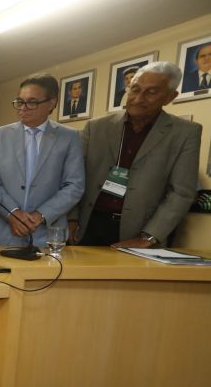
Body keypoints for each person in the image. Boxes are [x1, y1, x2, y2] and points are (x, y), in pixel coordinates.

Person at [69, 62, 202, 248]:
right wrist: (71, 219)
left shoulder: (185, 133)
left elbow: (181, 193)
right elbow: (74, 176)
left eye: (151, 92)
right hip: (87, 226)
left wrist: (148, 237)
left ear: (170, 97)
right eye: (135, 89)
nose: (138, 99)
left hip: (139, 232)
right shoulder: (96, 127)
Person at [0, 74, 84, 248]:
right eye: (20, 101)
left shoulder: (69, 137)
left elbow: (75, 186)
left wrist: (41, 215)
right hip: (0, 231)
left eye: (32, 102)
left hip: (46, 234)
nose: (23, 108)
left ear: (51, 103)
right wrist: (12, 213)